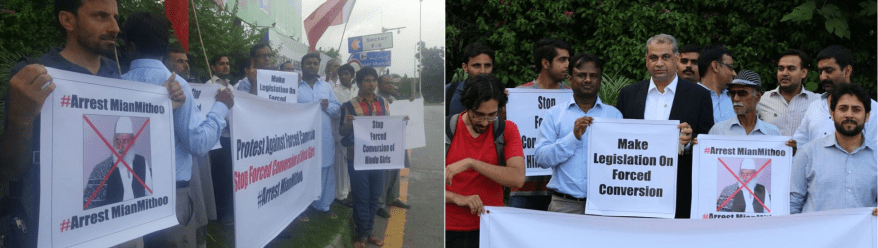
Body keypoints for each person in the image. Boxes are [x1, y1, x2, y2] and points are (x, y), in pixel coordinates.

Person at [1, 1, 185, 247]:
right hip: (55, 233)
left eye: (115, 18)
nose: (115, 27)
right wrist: (20, 119)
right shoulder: (35, 77)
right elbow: (11, 171)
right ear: (68, 20)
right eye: (100, 16)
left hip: (119, 229)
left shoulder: (117, 74)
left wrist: (160, 107)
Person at [119, 12, 234, 247]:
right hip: (171, 196)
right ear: (165, 48)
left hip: (125, 195)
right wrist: (220, 108)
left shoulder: (117, 83)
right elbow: (198, 144)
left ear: (130, 47)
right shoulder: (177, 86)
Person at [615, 34, 714, 219]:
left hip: (679, 192)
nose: (659, 63)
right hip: (636, 190)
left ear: (677, 59)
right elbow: (618, 139)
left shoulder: (699, 96)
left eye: (665, 57)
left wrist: (689, 141)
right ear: (646, 60)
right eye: (653, 57)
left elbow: (707, 140)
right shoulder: (629, 94)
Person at [535, 53, 622, 214]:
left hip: (604, 204)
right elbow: (542, 159)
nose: (588, 80)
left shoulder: (614, 115)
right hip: (564, 205)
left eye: (593, 76)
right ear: (570, 79)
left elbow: (623, 159)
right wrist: (572, 138)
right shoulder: (554, 114)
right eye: (581, 75)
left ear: (600, 79)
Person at [445, 74, 525, 248]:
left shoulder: (507, 129)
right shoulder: (446, 130)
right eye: (478, 114)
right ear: (467, 106)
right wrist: (456, 198)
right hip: (449, 228)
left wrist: (471, 163)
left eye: (491, 115)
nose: (484, 122)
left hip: (491, 226)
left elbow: (517, 178)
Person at [790, 83, 876, 213]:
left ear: (867, 116)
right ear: (832, 113)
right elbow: (792, 205)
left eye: (856, 109)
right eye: (843, 108)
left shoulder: (876, 157)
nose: (849, 114)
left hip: (865, 227)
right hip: (815, 227)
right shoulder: (807, 154)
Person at [339, 67, 390, 248]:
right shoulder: (349, 105)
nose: (372, 84)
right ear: (359, 84)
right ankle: (360, 235)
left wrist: (401, 123)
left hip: (378, 157)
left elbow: (388, 127)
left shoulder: (383, 103)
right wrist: (350, 124)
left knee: (374, 197)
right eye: (367, 80)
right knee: (361, 197)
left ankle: (369, 232)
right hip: (357, 157)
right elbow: (342, 131)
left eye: (374, 80)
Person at [793, 45, 877, 147]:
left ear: (847, 71)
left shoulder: (873, 109)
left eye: (829, 71)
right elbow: (799, 145)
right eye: (820, 72)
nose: (823, 77)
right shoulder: (814, 107)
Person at [299, 52, 341, 220]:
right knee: (302, 171)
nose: (312, 66)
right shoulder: (295, 86)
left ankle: (323, 205)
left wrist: (327, 105)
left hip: (323, 136)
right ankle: (301, 207)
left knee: (325, 170)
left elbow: (338, 109)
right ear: (302, 66)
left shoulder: (325, 86)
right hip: (301, 138)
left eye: (315, 63)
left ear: (319, 66)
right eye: (308, 63)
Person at [83, 116, 153, 209]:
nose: (121, 145)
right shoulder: (101, 170)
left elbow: (149, 193)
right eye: (118, 140)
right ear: (114, 142)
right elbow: (90, 206)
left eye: (125, 141)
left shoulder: (141, 162)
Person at [374, 74, 412, 218]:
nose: (390, 85)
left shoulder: (394, 99)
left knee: (396, 170)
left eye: (392, 83)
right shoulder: (376, 99)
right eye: (387, 83)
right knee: (384, 173)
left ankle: (392, 198)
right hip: (384, 140)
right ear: (379, 85)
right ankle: (379, 204)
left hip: (396, 138)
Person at [756, 49, 820, 136]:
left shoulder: (817, 102)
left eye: (791, 69)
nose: (784, 73)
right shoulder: (761, 100)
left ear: (804, 73)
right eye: (781, 69)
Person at [706, 70, 781, 136]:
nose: (735, 98)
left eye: (742, 93)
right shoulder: (718, 131)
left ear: (757, 97)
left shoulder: (772, 133)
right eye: (732, 93)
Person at [332, 63, 358, 208]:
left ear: (353, 76)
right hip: (341, 130)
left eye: (347, 74)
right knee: (341, 164)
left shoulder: (357, 89)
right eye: (341, 74)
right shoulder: (335, 91)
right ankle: (341, 194)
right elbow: (332, 111)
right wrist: (342, 111)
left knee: (353, 162)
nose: (343, 77)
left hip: (357, 132)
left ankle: (350, 190)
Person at [447, 43, 494, 116]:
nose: (482, 71)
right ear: (465, 67)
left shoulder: (500, 95)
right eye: (477, 66)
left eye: (487, 66)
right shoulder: (449, 92)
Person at [696, 45, 737, 124]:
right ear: (715, 66)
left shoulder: (735, 98)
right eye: (730, 67)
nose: (734, 73)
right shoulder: (691, 98)